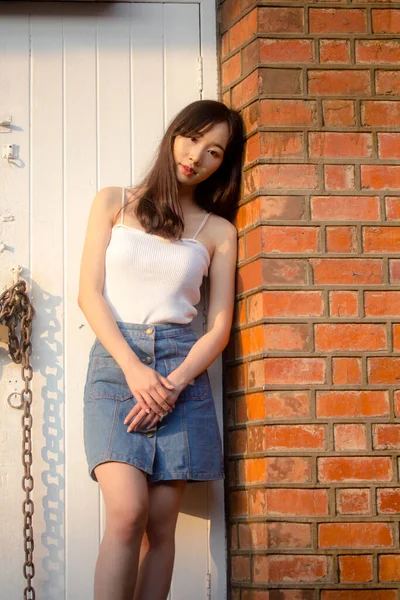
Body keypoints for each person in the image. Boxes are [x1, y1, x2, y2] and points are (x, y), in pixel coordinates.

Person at [77, 99, 245, 600]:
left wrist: (170, 386)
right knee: (127, 513)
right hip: (115, 366)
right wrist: (133, 369)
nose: (197, 156)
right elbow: (89, 294)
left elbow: (217, 327)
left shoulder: (218, 231)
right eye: (192, 139)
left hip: (181, 371)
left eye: (214, 151)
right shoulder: (113, 201)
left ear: (223, 163)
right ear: (174, 135)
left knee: (162, 529)